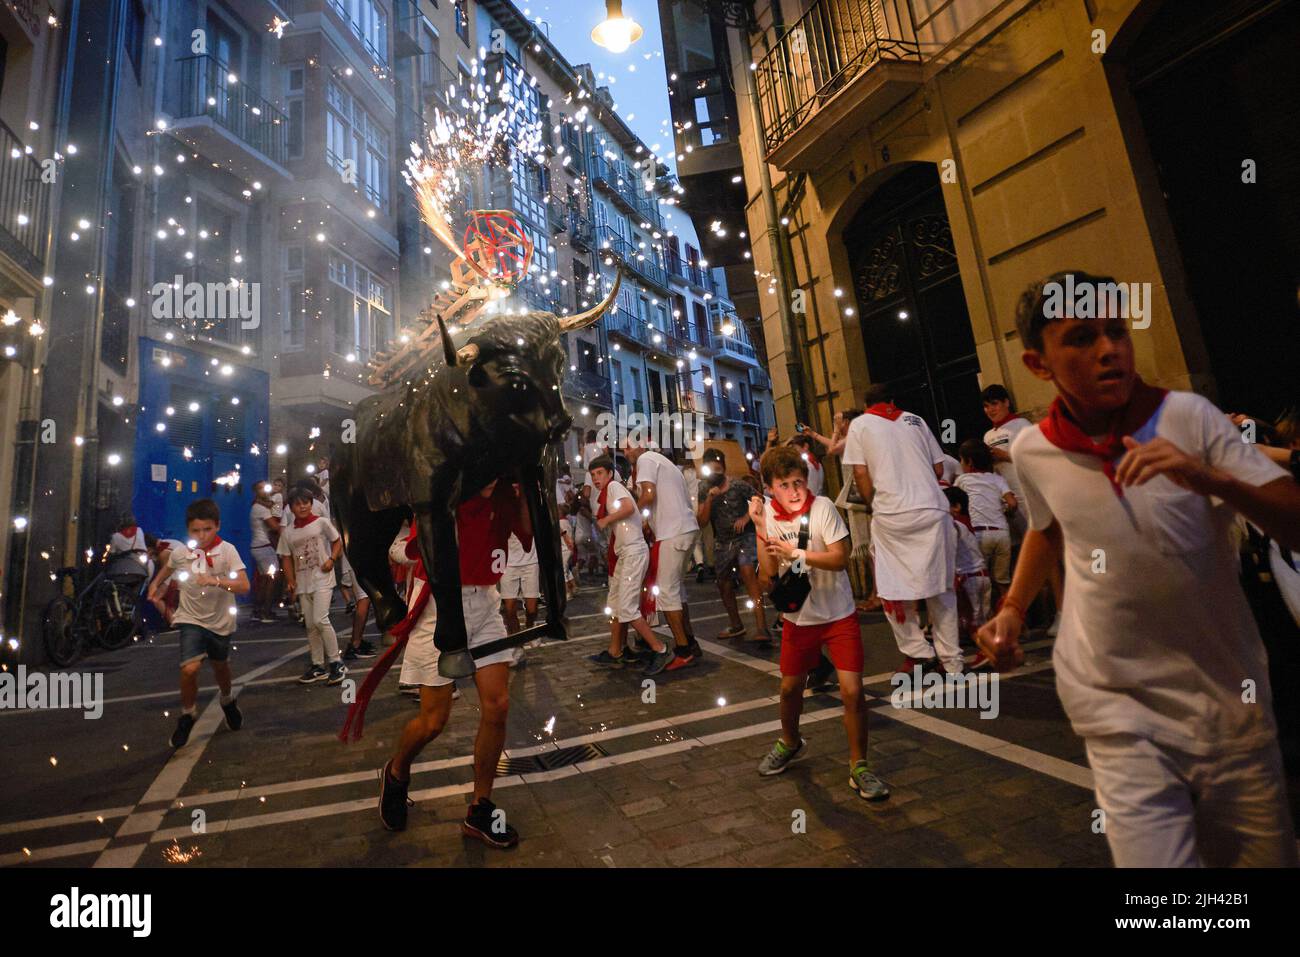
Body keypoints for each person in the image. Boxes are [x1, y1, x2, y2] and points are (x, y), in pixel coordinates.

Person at [977, 270, 1300, 867]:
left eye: (1116, 331)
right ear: (1037, 363)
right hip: (1116, 704)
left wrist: (1209, 478)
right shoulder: (1031, 449)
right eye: (1080, 337)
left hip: (1228, 705)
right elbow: (1048, 529)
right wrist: (1013, 610)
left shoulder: (1191, 419)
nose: (1109, 350)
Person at [375, 481, 531, 846]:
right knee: (434, 720)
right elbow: (414, 548)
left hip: (486, 602)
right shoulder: (446, 487)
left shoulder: (512, 489)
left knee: (498, 705)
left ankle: (480, 807)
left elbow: (528, 532)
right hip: (438, 603)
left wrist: (527, 486)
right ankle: (397, 771)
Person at [750, 446, 891, 800]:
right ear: (769, 487)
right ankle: (790, 741)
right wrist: (758, 528)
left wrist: (796, 553)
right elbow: (768, 576)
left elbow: (840, 558)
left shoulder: (823, 507)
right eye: (784, 484)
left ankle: (859, 766)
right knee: (788, 689)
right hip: (799, 619)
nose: (794, 490)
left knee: (852, 690)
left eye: (798, 481)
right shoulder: (766, 515)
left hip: (838, 614)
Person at [842, 385, 963, 676]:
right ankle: (953, 662)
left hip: (893, 515)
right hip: (933, 509)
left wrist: (874, 503)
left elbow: (860, 473)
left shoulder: (859, 425)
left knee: (892, 588)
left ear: (866, 403)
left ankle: (919, 653)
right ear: (892, 401)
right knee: (941, 587)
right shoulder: (916, 420)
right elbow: (937, 469)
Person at [147, 499, 249, 749]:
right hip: (190, 618)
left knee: (220, 667)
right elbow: (168, 566)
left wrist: (215, 581)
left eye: (208, 529)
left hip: (220, 620)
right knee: (189, 669)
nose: (202, 535)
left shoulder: (227, 551)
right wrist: (154, 585)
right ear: (188, 530)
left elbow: (244, 585)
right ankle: (188, 714)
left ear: (218, 526)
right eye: (195, 530)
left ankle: (227, 700)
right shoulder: (182, 552)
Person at [982, 384, 1062, 634]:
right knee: (1019, 560)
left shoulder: (1022, 427)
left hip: (1029, 497)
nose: (990, 410)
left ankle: (1062, 611)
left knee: (1046, 557)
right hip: (1007, 503)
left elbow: (1035, 457)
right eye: (986, 406)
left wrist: (1003, 455)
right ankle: (1037, 616)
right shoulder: (987, 435)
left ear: (1006, 402)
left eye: (994, 403)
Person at [586, 455, 676, 674]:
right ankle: (615, 651)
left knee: (626, 607)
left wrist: (606, 520)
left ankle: (661, 649)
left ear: (609, 473)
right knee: (615, 603)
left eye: (599, 473)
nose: (596, 478)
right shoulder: (609, 491)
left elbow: (628, 508)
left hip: (633, 552)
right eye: (593, 475)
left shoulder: (615, 486)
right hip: (625, 554)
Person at [624, 439, 702, 669]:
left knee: (667, 593)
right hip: (685, 528)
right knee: (678, 592)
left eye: (628, 447)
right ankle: (690, 642)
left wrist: (633, 516)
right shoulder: (663, 462)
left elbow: (648, 494)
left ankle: (682, 650)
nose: (625, 452)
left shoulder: (646, 459)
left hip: (673, 532)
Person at [697, 453, 769, 645]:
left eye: (718, 470)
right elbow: (701, 521)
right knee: (723, 583)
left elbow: (760, 499)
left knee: (748, 574)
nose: (715, 474)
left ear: (724, 469)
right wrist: (710, 499)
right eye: (710, 470)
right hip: (723, 541)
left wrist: (746, 517)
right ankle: (736, 624)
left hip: (745, 537)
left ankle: (762, 627)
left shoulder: (738, 485)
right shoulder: (703, 489)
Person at [278, 487, 347, 685]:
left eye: (306, 502)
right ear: (290, 508)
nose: (303, 506)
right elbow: (286, 558)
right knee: (310, 626)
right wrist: (291, 581)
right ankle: (318, 665)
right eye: (298, 504)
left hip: (323, 578)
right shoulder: (288, 533)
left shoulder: (322, 523)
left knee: (320, 619)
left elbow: (337, 541)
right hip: (303, 582)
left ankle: (336, 662)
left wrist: (332, 559)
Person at [954, 438, 1017, 605]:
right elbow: (1012, 503)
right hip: (1002, 534)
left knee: (982, 579)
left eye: (961, 459)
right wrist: (1005, 512)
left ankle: (986, 621)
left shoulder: (963, 480)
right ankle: (1015, 618)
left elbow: (953, 502)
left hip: (980, 534)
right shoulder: (997, 478)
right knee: (1003, 581)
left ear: (970, 462)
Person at [943, 486, 991, 648]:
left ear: (956, 507)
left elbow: (950, 548)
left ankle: (987, 650)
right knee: (981, 619)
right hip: (983, 575)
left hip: (969, 579)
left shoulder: (954, 524)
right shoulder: (968, 523)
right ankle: (985, 646)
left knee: (972, 621)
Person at [249, 487, 282, 623]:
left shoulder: (255, 507)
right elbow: (275, 527)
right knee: (272, 578)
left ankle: (257, 610)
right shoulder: (261, 509)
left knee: (264, 579)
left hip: (257, 546)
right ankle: (266, 612)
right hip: (263, 547)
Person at [500, 531, 540, 635]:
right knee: (510, 610)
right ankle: (516, 642)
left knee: (532, 610)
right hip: (507, 563)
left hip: (530, 562)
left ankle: (530, 628)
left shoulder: (528, 514)